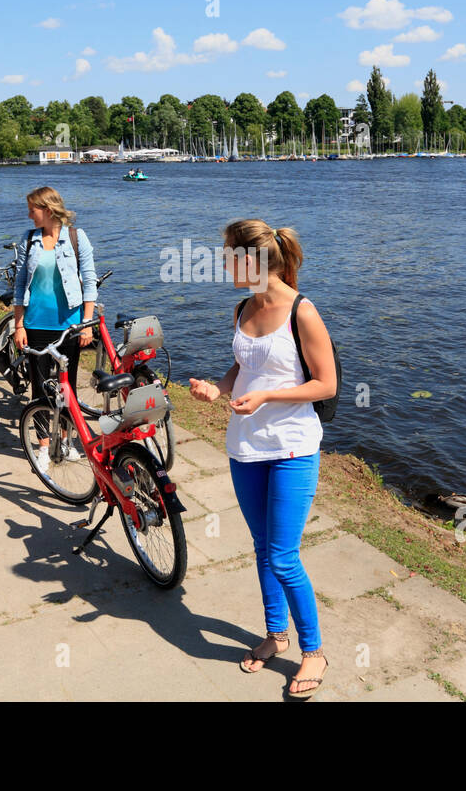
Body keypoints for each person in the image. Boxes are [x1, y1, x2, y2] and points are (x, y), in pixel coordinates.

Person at [188, 220, 337, 698]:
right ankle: (276, 635)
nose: (222, 262)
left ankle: (313, 653)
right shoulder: (242, 307)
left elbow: (326, 384)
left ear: (252, 261)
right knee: (260, 548)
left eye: (228, 254)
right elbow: (244, 364)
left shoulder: (303, 311)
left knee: (283, 556)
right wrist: (220, 387)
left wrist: (268, 397)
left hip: (292, 448)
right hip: (244, 447)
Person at [11, 186, 97, 472]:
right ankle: (44, 448)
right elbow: (21, 283)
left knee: (66, 386)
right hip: (36, 324)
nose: (28, 214)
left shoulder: (76, 237)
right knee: (39, 388)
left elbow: (89, 279)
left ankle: (66, 440)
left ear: (47, 210)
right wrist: (19, 324)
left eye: (32, 209)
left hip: (70, 326)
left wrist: (85, 324)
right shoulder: (29, 240)